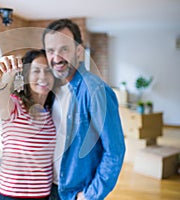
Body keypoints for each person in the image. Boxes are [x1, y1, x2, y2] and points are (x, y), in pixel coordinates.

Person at [41, 19, 126, 200]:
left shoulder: (96, 91)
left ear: (79, 51)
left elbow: (114, 151)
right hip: (50, 189)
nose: (56, 58)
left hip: (75, 194)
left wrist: (89, 195)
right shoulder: (51, 90)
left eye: (64, 49)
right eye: (50, 51)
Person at [0, 49, 57, 200]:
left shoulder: (51, 111)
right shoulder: (15, 105)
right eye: (36, 71)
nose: (43, 77)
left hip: (44, 195)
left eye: (48, 71)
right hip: (11, 195)